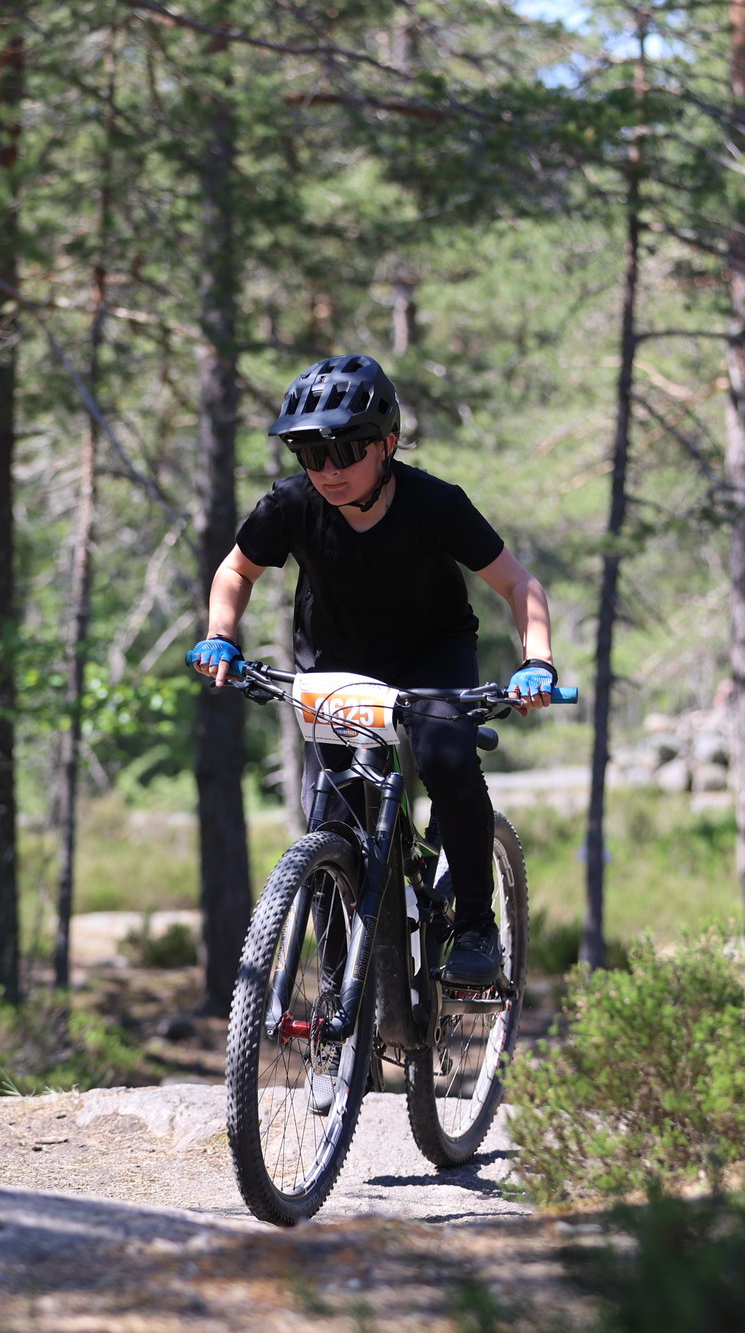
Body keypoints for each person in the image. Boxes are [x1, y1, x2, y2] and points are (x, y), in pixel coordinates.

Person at [188, 354, 556, 987]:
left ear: (387, 443)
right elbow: (235, 571)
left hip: (431, 653)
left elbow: (520, 585)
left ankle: (474, 924)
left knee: (445, 758)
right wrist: (220, 636)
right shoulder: (292, 503)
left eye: (347, 449)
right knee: (331, 817)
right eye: (311, 453)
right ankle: (338, 994)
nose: (329, 470)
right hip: (336, 660)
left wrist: (537, 662)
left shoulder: (437, 504)